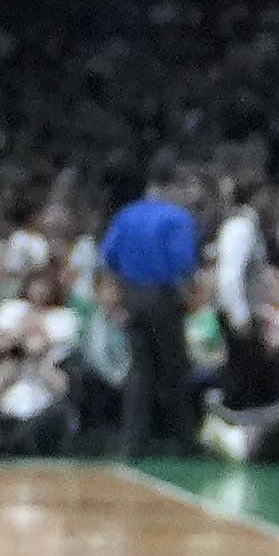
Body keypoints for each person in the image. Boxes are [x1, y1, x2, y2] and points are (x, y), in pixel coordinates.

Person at [100, 166, 202, 453]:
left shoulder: (126, 215)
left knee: (141, 369)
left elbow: (108, 256)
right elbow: (184, 261)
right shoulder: (177, 217)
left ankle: (134, 441)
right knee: (175, 366)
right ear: (172, 186)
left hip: (132, 295)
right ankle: (184, 439)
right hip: (164, 297)